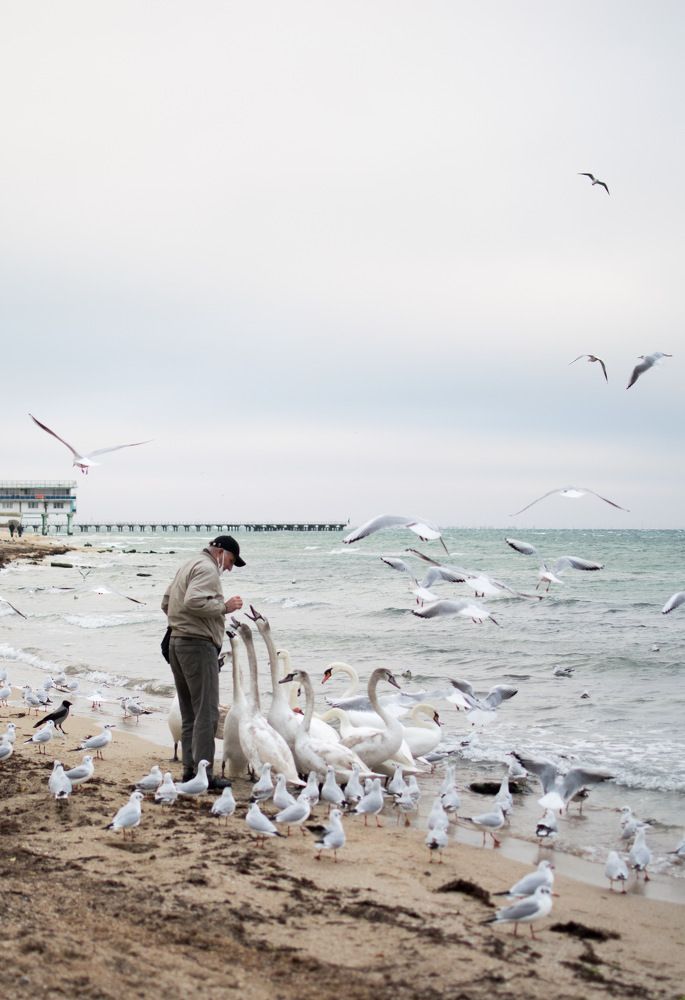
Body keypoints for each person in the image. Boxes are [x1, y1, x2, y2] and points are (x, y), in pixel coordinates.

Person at [162, 535, 245, 790]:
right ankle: (204, 775)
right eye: (230, 560)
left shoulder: (188, 564)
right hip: (197, 646)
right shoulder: (208, 568)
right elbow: (194, 601)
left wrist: (184, 622)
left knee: (189, 711)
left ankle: (189, 771)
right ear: (220, 552)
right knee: (207, 713)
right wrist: (224, 607)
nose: (229, 567)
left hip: (177, 642)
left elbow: (167, 603)